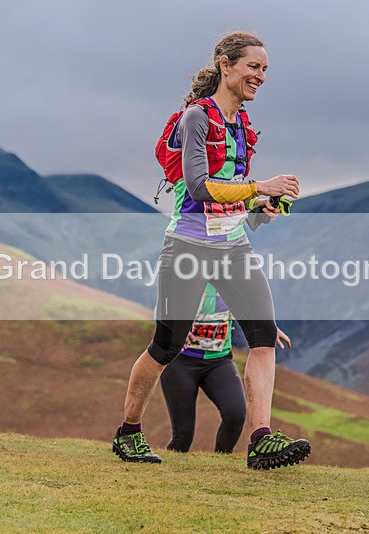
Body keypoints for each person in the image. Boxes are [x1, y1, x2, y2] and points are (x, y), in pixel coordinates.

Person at [112, 31, 311, 469]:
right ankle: (128, 432)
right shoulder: (197, 119)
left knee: (263, 337)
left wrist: (261, 207)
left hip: (232, 246)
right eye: (252, 67)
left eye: (264, 70)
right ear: (226, 65)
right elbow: (200, 188)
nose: (260, 76)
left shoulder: (243, 126)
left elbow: (229, 202)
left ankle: (260, 439)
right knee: (166, 346)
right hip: (187, 246)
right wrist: (261, 185)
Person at [159, 283, 292, 453]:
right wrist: (174, 328)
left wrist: (269, 328)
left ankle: (221, 460)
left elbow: (249, 307)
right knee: (183, 437)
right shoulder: (187, 277)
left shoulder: (232, 279)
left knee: (235, 416)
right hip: (180, 363)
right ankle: (168, 475)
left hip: (219, 361)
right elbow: (162, 309)